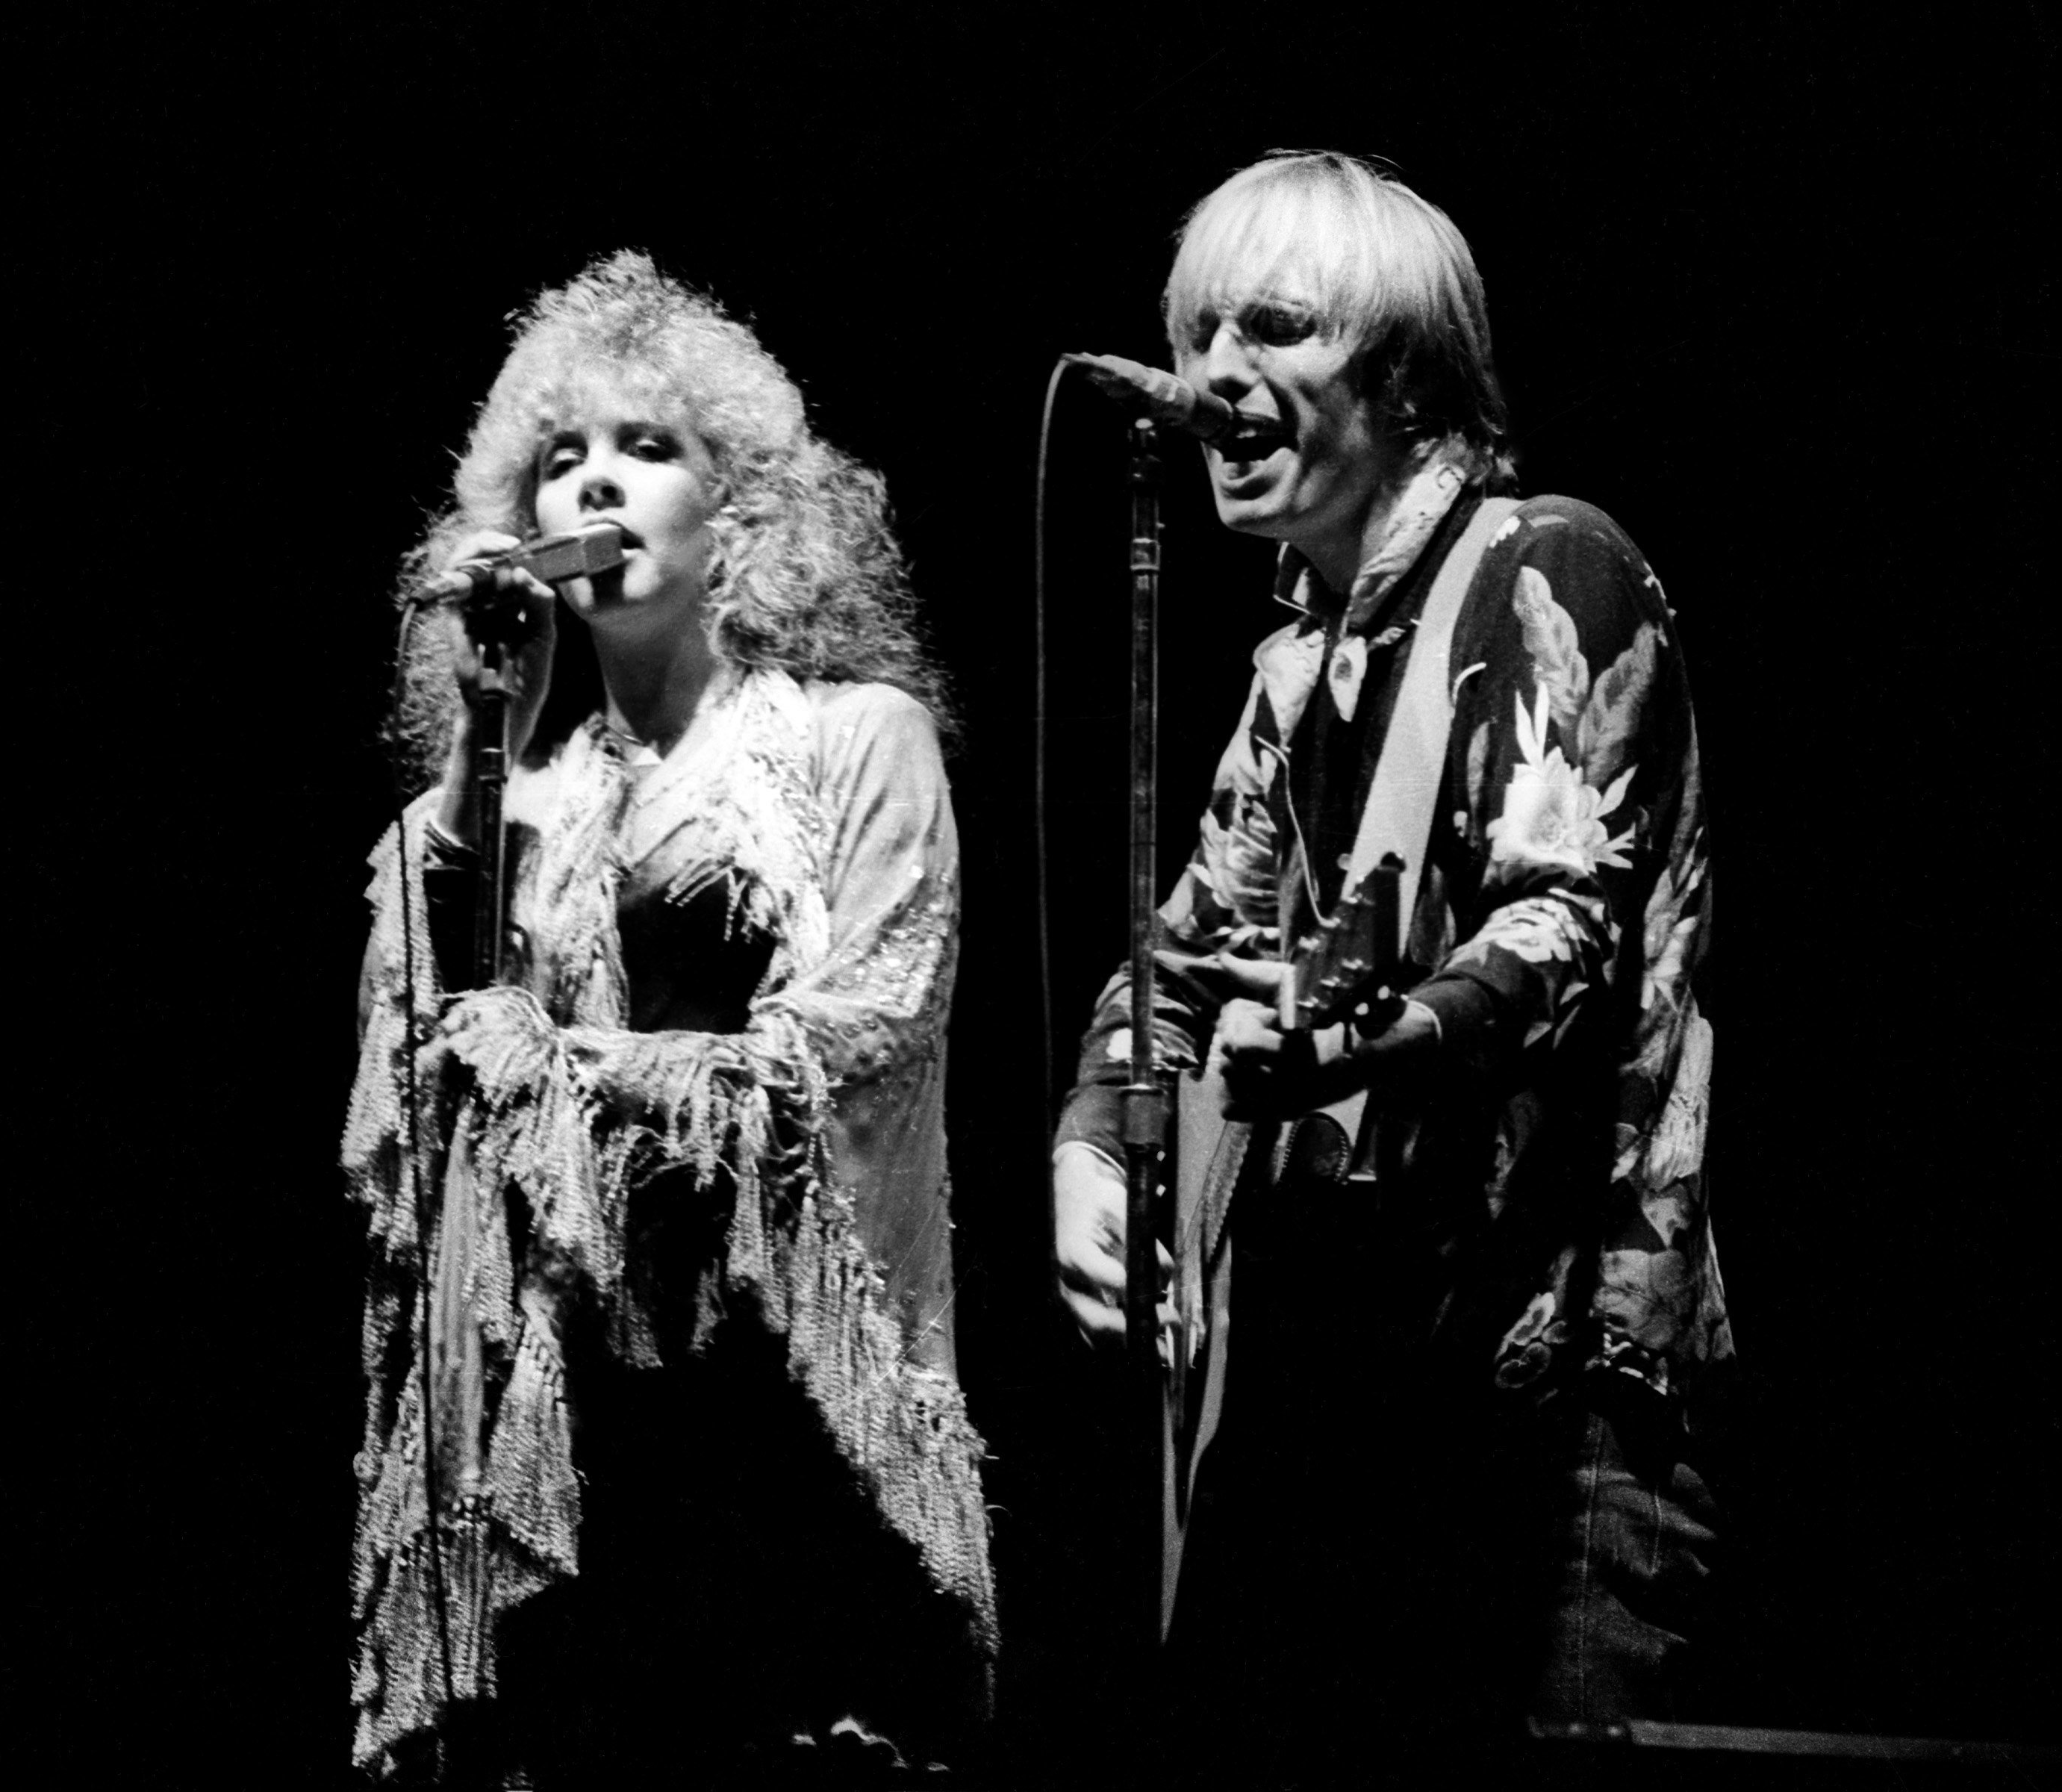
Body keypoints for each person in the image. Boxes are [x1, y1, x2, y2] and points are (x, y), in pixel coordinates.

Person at [1051, 153, 1728, 1780]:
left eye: (1273, 325)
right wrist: (1092, 1128)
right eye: (1197, 328)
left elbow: (1562, 934)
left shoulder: (1550, 567)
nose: (1216, 371)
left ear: (1408, 374)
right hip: (1332, 1387)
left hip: (1544, 1388)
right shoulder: (1295, 668)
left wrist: (1366, 1045)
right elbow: (1186, 957)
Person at [344, 252, 995, 1786]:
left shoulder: (856, 739)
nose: (596, 487)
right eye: (560, 461)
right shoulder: (523, 794)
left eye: (649, 449)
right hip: (589, 1432)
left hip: (788, 1398)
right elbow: (425, 1065)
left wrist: (586, 1070)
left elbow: (873, 1024)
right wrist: (488, 729)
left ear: (745, 515)